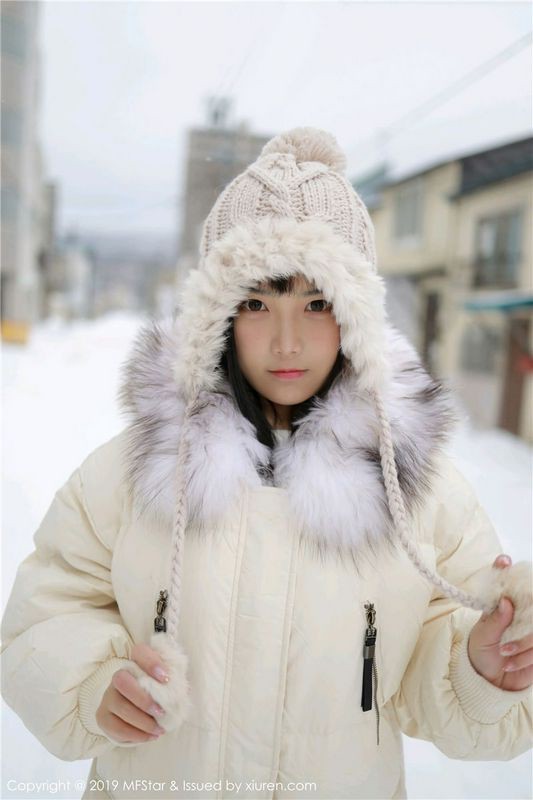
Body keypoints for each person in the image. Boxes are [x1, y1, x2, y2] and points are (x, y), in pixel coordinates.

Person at [1, 127, 532, 800]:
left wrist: (480, 668)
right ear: (216, 317)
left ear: (355, 317)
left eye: (316, 304)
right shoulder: (130, 476)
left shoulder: (420, 494)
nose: (287, 341)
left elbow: (435, 670)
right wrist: (92, 684)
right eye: (255, 303)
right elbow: (45, 614)